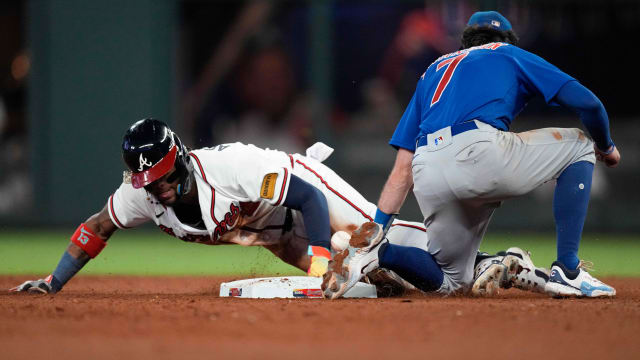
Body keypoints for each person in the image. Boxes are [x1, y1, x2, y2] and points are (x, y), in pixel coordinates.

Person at [10, 118, 546, 297]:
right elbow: (96, 226)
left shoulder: (232, 168)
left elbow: (307, 197)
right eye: (150, 183)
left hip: (297, 185)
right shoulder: (141, 194)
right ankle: (447, 274)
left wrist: (317, 260)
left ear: (181, 161)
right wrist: (54, 282)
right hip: (272, 231)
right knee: (360, 282)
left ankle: (492, 263)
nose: (160, 192)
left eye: (165, 179)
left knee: (366, 240)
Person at [322, 11, 619, 300]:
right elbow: (589, 104)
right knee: (580, 144)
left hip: (427, 165)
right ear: (507, 39)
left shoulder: (433, 71)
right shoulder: (507, 53)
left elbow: (402, 169)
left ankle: (379, 252)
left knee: (452, 280)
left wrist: (377, 228)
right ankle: (568, 269)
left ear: (465, 43)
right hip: (478, 151)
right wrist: (605, 147)